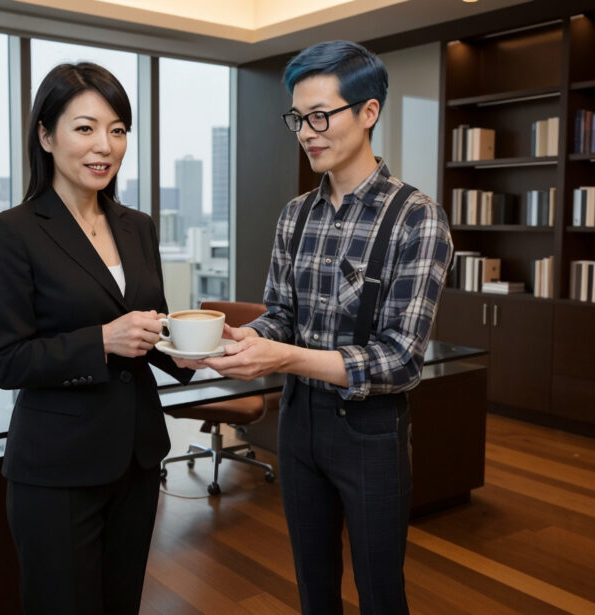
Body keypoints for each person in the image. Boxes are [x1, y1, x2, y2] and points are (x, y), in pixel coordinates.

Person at [181, 41, 452, 614]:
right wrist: (250, 337)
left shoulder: (415, 217)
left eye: (321, 115)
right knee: (313, 585)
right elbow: (281, 313)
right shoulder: (294, 215)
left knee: (381, 591)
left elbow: (401, 359)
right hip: (299, 425)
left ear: (369, 112)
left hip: (371, 431)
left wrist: (283, 359)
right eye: (299, 118)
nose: (307, 132)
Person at [0, 62, 192, 615]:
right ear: (46, 136)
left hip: (138, 458)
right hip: (57, 468)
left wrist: (194, 349)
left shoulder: (137, 225)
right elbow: (6, 360)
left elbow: (153, 325)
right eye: (85, 128)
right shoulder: (13, 231)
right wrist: (100, 340)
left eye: (118, 130)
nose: (105, 146)